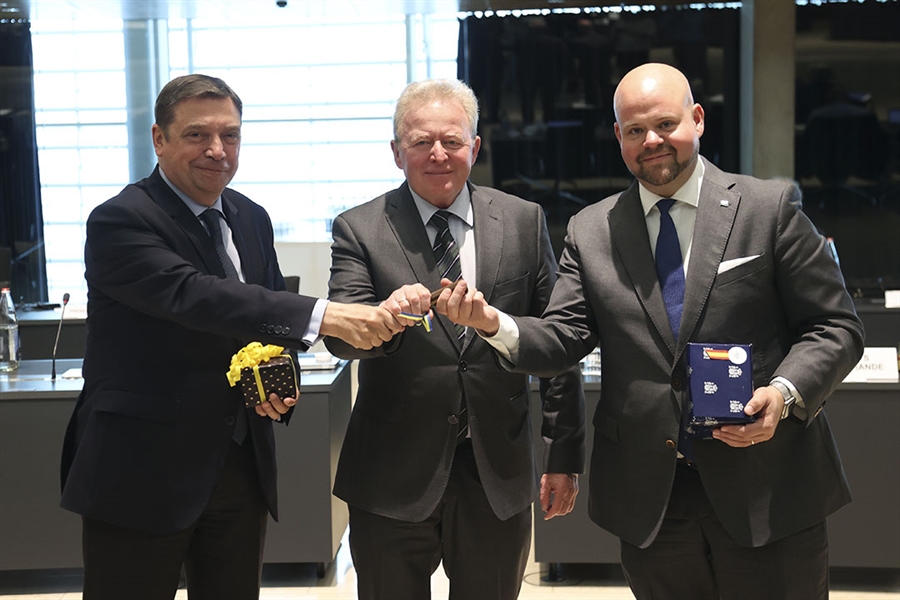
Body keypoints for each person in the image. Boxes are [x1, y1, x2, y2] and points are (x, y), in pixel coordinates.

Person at [437, 63, 865, 600]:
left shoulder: (768, 208)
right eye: (635, 131)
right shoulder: (591, 230)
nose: (652, 141)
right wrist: (492, 323)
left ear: (698, 119)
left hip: (768, 485)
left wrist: (783, 393)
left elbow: (835, 327)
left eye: (665, 124)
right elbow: (563, 338)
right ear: (618, 136)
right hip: (653, 502)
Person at [59, 74, 402, 600]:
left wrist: (276, 381)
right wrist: (325, 315)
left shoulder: (249, 216)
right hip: (142, 468)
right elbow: (195, 296)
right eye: (197, 135)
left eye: (231, 136)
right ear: (159, 138)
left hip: (240, 464)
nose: (217, 150)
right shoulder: (122, 219)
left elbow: (261, 320)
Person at [323, 78, 585, 600]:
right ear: (397, 152)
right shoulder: (359, 228)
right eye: (421, 142)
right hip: (389, 476)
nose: (438, 154)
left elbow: (558, 343)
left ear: (476, 147)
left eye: (452, 140)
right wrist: (385, 318)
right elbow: (341, 340)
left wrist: (563, 455)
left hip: (497, 472)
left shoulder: (522, 221)